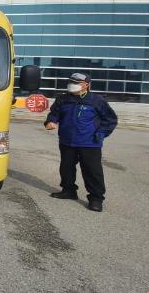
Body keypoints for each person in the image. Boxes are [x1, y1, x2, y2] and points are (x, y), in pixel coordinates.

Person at [44, 73, 118, 212]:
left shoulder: (96, 100)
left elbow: (110, 119)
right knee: (66, 168)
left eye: (76, 82)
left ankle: (96, 199)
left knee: (92, 171)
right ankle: (68, 191)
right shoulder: (63, 99)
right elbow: (54, 113)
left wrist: (101, 133)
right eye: (70, 81)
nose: (71, 84)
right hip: (67, 141)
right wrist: (51, 121)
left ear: (86, 85)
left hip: (89, 142)